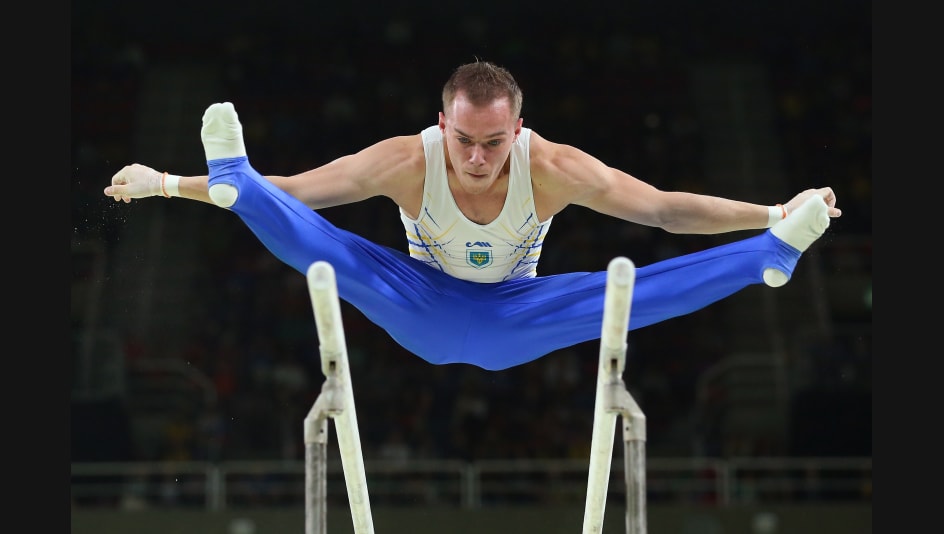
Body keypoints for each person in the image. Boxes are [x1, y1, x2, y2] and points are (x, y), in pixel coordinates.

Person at [105, 60, 840, 371]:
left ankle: (766, 255)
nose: (479, 158)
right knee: (329, 253)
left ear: (519, 132)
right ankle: (235, 178)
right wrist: (169, 182)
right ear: (441, 123)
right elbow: (298, 192)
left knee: (621, 292)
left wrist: (775, 209)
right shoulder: (406, 159)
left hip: (519, 311)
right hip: (416, 298)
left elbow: (666, 212)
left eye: (495, 143)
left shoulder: (552, 167)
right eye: (463, 140)